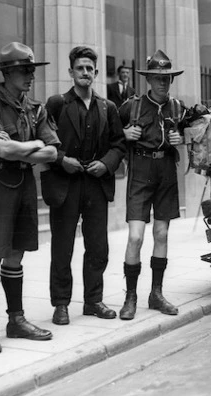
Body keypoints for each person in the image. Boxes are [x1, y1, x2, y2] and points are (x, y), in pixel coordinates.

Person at [0, 42, 60, 354]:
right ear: (7, 73)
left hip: (23, 183)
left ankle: (16, 319)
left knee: (16, 254)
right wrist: (33, 144)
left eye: (32, 70)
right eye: (25, 70)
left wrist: (28, 146)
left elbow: (52, 151)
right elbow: (1, 150)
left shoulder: (36, 108)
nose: (31, 76)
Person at [42, 46, 126, 325]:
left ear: (96, 73)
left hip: (96, 185)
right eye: (80, 68)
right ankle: (61, 304)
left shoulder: (108, 107)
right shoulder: (57, 104)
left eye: (90, 69)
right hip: (65, 184)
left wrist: (106, 163)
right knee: (62, 246)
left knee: (98, 247)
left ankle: (93, 301)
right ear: (71, 72)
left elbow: (118, 144)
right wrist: (62, 159)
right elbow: (45, 141)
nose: (85, 73)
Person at [117, 49, 188, 320]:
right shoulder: (131, 107)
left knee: (161, 234)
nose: (163, 83)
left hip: (166, 171)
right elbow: (111, 136)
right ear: (148, 79)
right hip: (140, 170)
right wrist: (124, 135)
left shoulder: (177, 107)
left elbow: (189, 131)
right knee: (135, 236)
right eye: (157, 78)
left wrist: (180, 138)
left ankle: (155, 293)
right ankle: (130, 296)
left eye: (167, 78)